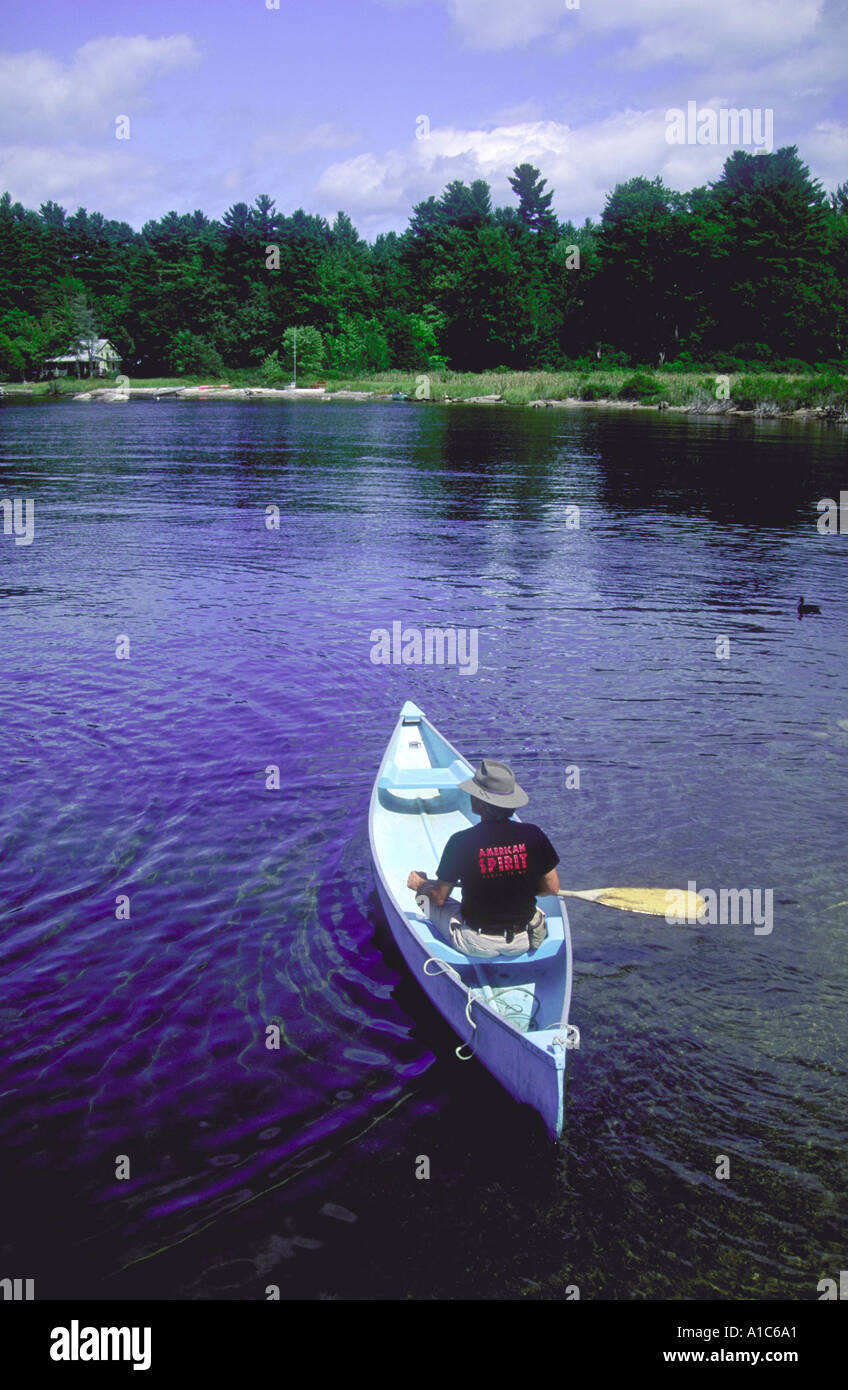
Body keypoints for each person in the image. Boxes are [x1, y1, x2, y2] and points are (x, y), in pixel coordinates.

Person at [406, 759, 560, 958]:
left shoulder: (461, 841)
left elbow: (439, 897)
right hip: (523, 940)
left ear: (481, 803)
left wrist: (421, 884)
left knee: (423, 897)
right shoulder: (534, 834)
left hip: (477, 943)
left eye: (474, 793)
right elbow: (552, 888)